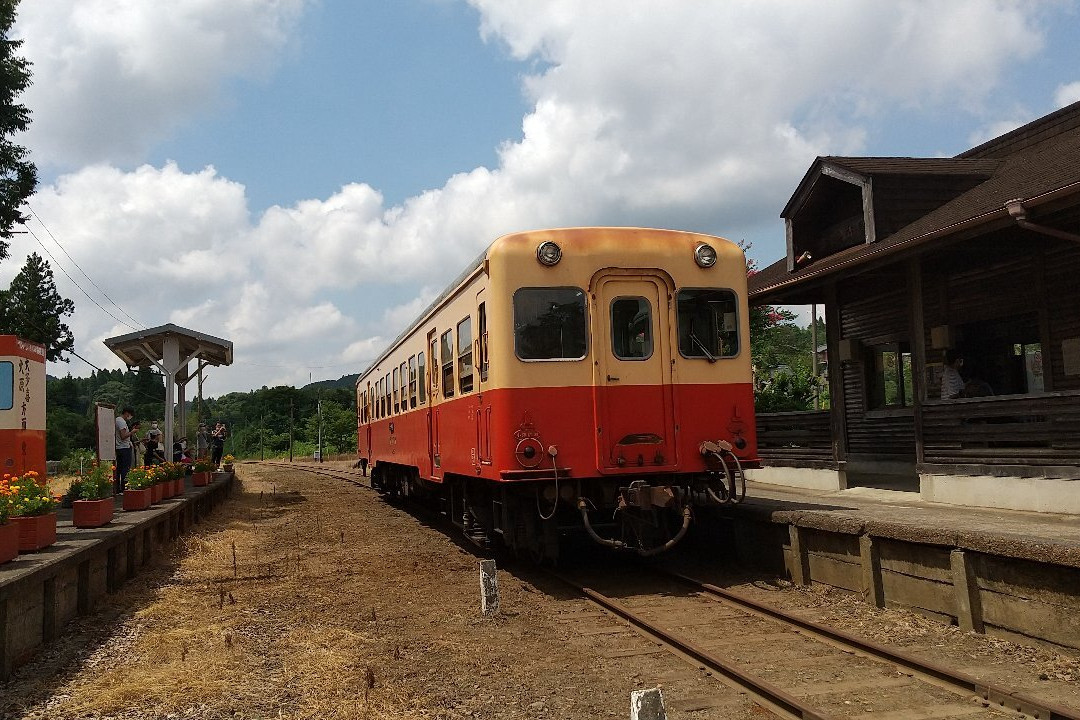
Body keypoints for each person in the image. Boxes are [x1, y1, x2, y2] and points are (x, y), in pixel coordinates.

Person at [115, 407, 136, 493]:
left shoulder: (118, 420)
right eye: (130, 415)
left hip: (119, 447)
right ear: (127, 413)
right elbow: (123, 436)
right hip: (124, 447)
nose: (130, 417)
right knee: (125, 468)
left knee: (119, 468)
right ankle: (124, 487)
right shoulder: (121, 422)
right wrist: (132, 432)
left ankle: (118, 488)